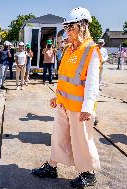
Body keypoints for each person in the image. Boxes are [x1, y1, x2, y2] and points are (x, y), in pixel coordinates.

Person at [32, 7, 101, 188]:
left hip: (80, 108)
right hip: (64, 104)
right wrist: (57, 96)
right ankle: (52, 166)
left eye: (71, 28)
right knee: (58, 137)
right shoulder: (70, 50)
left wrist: (88, 106)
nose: (68, 32)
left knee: (81, 140)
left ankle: (88, 173)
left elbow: (93, 82)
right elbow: (64, 78)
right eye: (67, 28)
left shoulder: (91, 50)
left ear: (83, 26)